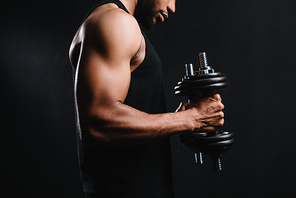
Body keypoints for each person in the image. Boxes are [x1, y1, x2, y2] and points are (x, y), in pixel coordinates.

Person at [69, 0, 224, 197]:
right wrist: (192, 118)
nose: (172, 7)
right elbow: (98, 122)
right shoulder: (116, 22)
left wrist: (178, 120)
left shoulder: (109, 20)